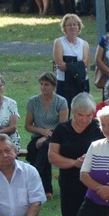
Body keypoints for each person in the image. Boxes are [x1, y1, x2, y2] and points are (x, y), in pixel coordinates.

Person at [48, 93, 104, 216]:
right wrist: (74, 163)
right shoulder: (62, 129)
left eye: (89, 115)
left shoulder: (98, 128)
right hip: (70, 184)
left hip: (93, 184)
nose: (84, 119)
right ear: (73, 112)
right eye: (80, 115)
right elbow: (52, 156)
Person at [25, 71, 69, 199]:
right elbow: (28, 126)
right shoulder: (33, 101)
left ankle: (34, 178)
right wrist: (42, 132)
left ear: (54, 86)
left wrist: (47, 136)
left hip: (57, 137)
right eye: (42, 84)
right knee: (39, 147)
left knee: (44, 146)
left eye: (47, 84)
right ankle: (46, 189)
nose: (43, 87)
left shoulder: (61, 101)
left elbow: (63, 126)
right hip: (38, 137)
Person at [53, 14, 89, 109]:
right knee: (63, 109)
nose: (72, 27)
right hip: (64, 82)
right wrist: (77, 65)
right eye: (69, 25)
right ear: (64, 27)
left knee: (82, 108)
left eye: (75, 24)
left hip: (80, 81)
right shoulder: (59, 42)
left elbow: (85, 63)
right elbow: (60, 64)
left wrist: (68, 65)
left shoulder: (84, 44)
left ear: (79, 27)